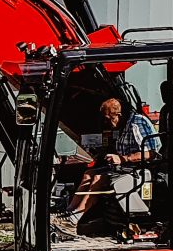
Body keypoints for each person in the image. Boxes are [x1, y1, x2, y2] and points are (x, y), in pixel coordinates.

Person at [55, 95, 159, 235]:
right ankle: (68, 213)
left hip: (138, 169)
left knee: (98, 178)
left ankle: (74, 220)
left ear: (119, 115)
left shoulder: (137, 123)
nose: (108, 123)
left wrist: (123, 158)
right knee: (88, 174)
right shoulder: (125, 124)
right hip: (125, 167)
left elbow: (150, 153)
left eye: (110, 119)